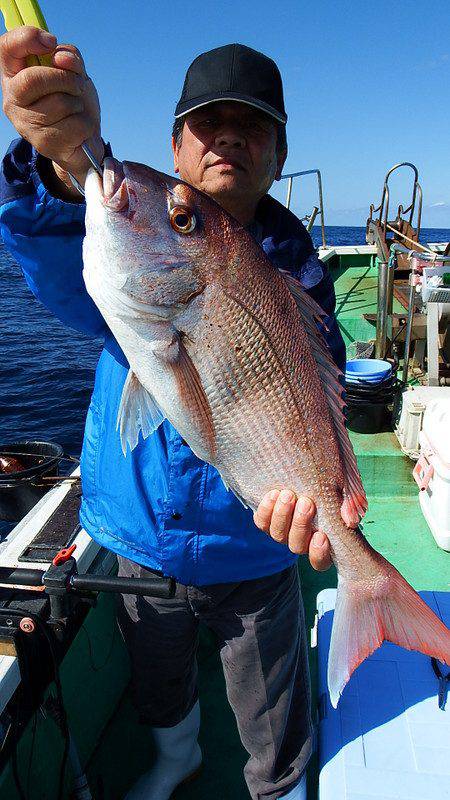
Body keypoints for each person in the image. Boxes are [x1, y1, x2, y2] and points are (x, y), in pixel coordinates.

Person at [0, 30, 345, 800]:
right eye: (207, 122)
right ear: (177, 147)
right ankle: (175, 758)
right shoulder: (129, 268)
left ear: (279, 154)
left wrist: (325, 510)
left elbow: (319, 398)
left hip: (253, 555)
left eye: (252, 125)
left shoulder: (304, 286)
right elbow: (66, 266)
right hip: (139, 541)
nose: (229, 136)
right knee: (159, 684)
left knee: (272, 708)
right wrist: (64, 164)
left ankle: (282, 788)